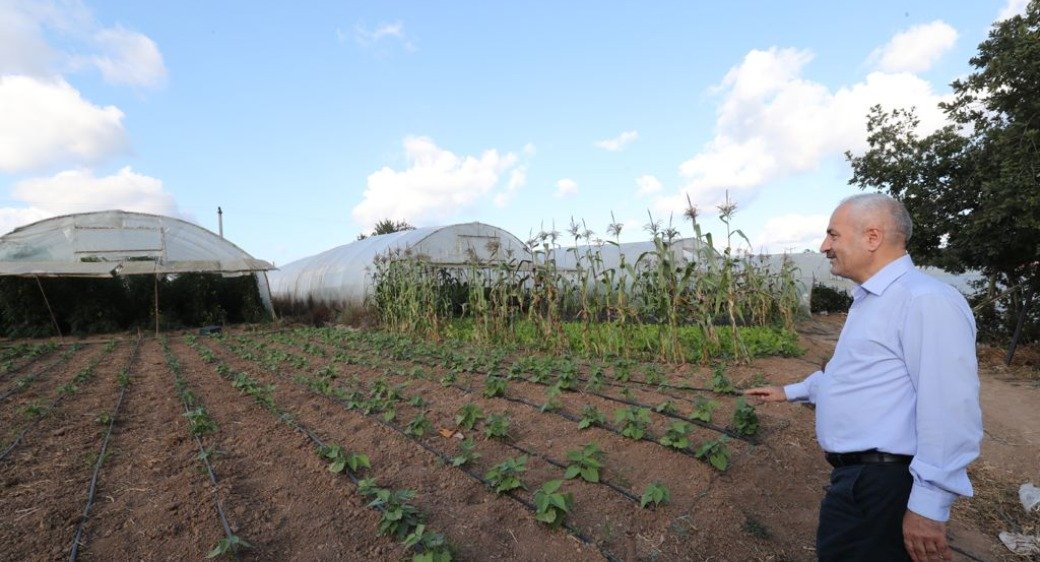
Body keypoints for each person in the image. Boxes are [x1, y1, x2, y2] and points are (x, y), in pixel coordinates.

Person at [745, 193, 982, 562]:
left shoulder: (924, 301)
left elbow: (950, 409)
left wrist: (928, 506)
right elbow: (855, 377)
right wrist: (789, 392)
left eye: (833, 235)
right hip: (859, 481)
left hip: (883, 486)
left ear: (872, 237)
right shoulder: (871, 300)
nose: (825, 246)